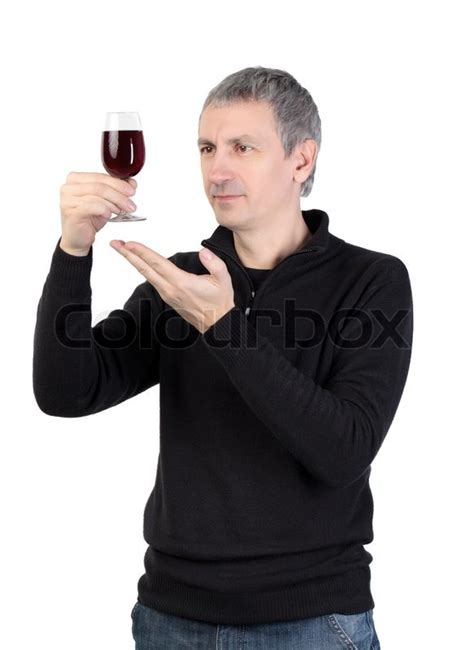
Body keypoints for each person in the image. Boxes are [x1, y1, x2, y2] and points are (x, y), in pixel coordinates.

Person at [33, 66, 413, 649]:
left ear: (301, 160)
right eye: (208, 147)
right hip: (171, 619)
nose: (217, 169)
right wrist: (73, 250)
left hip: (313, 623)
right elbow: (65, 393)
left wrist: (222, 326)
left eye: (243, 147)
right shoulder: (181, 279)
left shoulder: (371, 281)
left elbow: (344, 450)